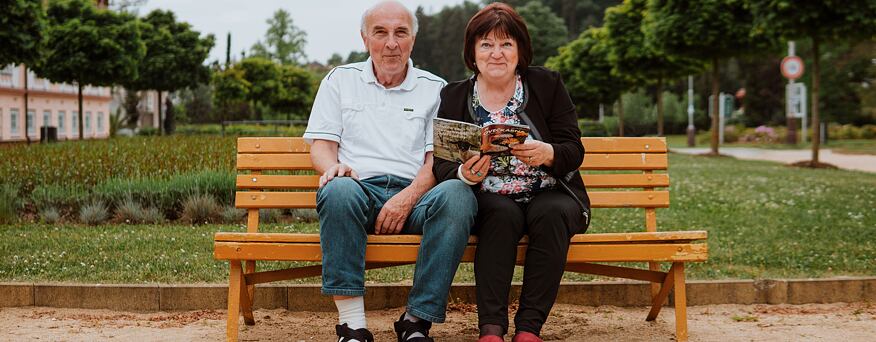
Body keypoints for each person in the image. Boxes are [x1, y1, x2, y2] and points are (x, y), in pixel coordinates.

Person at [303, 1, 476, 341]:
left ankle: (415, 322)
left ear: (413, 38)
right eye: (380, 33)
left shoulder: (436, 88)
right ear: (365, 38)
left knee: (458, 194)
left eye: (401, 33)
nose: (391, 43)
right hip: (358, 192)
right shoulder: (340, 80)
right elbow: (321, 146)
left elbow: (435, 162)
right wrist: (333, 167)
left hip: (416, 196)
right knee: (337, 189)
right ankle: (352, 327)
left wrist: (406, 199)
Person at [431, 3, 591, 341]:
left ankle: (529, 328)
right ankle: (491, 329)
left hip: (548, 192)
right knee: (500, 216)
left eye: (506, 44)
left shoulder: (547, 84)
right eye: (486, 44)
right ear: (473, 53)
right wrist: (464, 174)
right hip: (488, 197)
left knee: (553, 212)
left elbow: (573, 150)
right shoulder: (455, 95)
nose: (496, 54)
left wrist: (549, 153)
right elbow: (441, 162)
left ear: (520, 50)